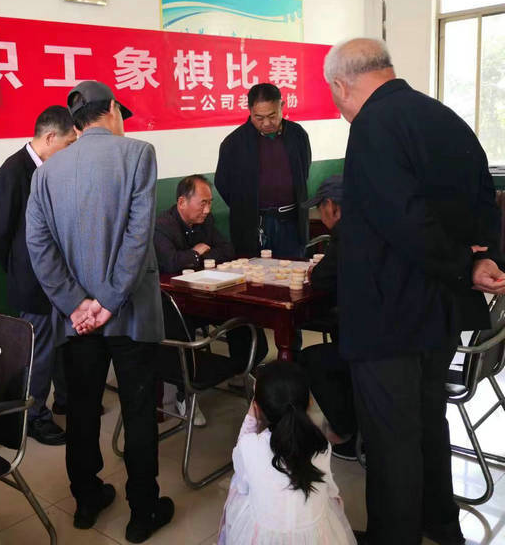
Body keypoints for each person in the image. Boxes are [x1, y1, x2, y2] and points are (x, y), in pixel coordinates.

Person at [324, 37, 505, 545]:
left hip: (389, 314)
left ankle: (395, 536)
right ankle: (440, 524)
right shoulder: (444, 118)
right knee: (428, 420)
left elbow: (403, 221)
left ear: (341, 85)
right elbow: (486, 199)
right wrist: (482, 258)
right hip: (439, 311)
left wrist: (463, 265)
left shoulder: (372, 127)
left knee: (391, 438)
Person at [26, 80, 174, 543]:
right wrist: (109, 301)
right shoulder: (138, 154)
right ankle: (143, 512)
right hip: (130, 314)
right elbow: (138, 236)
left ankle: (87, 501)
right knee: (138, 410)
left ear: (75, 122)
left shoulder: (46, 172)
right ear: (111, 109)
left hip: (77, 322)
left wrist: (77, 303)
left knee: (83, 411)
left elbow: (39, 246)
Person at [0, 105, 77, 446]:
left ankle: (66, 400)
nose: (72, 151)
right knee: (39, 354)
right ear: (50, 137)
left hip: (60, 279)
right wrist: (18, 271)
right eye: (69, 144)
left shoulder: (55, 169)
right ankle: (35, 417)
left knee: (63, 345)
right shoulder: (14, 171)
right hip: (32, 283)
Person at [154, 174, 269, 426]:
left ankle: (242, 370)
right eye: (202, 203)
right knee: (177, 323)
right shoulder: (162, 226)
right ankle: (185, 393)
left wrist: (193, 256)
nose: (207, 210)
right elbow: (170, 262)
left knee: (240, 314)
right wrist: (197, 252)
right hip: (173, 302)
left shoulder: (206, 221)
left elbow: (227, 250)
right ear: (182, 202)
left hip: (207, 295)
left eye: (210, 203)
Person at [217, 361, 355, 545]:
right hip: (314, 537)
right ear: (309, 403)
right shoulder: (321, 445)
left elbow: (241, 482)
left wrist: (252, 417)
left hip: (264, 538)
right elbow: (330, 489)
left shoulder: (249, 446)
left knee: (239, 483)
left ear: (257, 408)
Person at [215, 82, 312, 259]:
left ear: (282, 106)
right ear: (250, 111)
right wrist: (247, 207)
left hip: (291, 223)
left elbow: (303, 172)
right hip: (254, 226)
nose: (266, 123)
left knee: (293, 272)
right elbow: (222, 183)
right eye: (259, 118)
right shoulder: (234, 143)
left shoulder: (298, 135)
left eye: (272, 116)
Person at [299, 175, 357, 460]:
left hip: (371, 348)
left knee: (309, 359)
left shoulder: (345, 235)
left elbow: (322, 278)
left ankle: (347, 431)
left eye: (320, 208)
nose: (320, 216)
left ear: (333, 207)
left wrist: (317, 273)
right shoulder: (371, 226)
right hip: (399, 339)